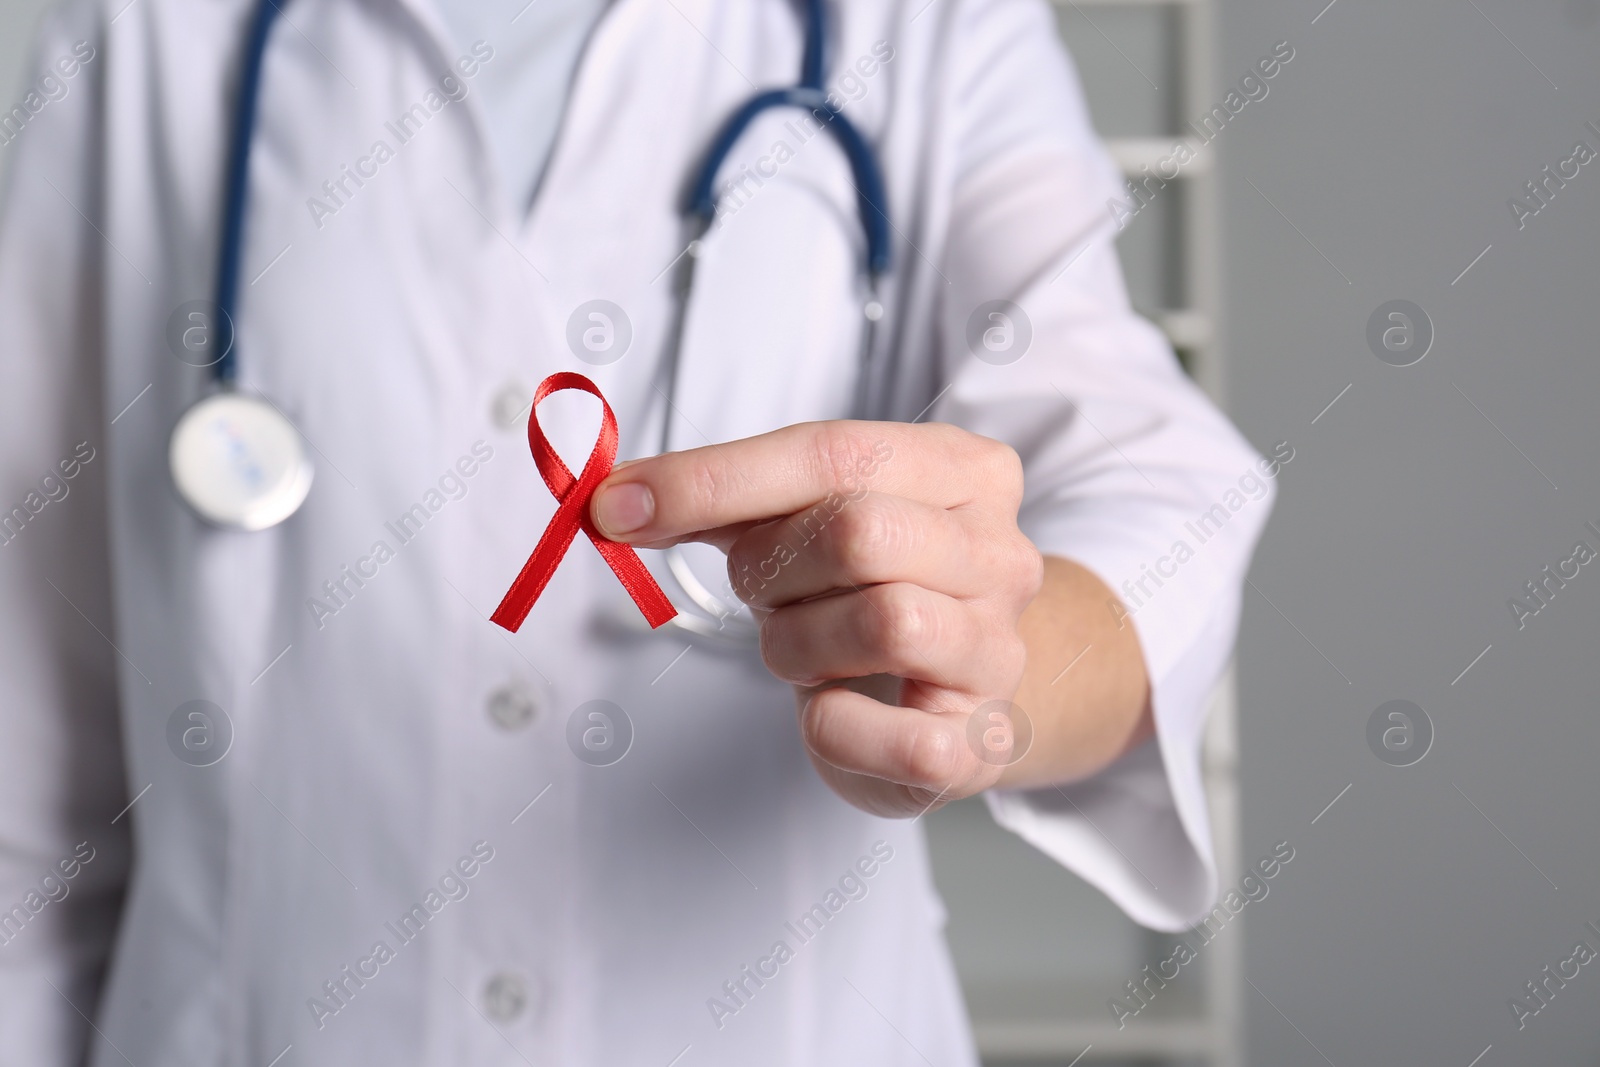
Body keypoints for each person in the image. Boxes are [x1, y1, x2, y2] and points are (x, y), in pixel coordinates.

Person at [0, 0, 1272, 1063]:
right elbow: (27, 765)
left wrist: (987, 657)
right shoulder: (143, 32)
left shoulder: (923, 23)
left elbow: (1149, 487)